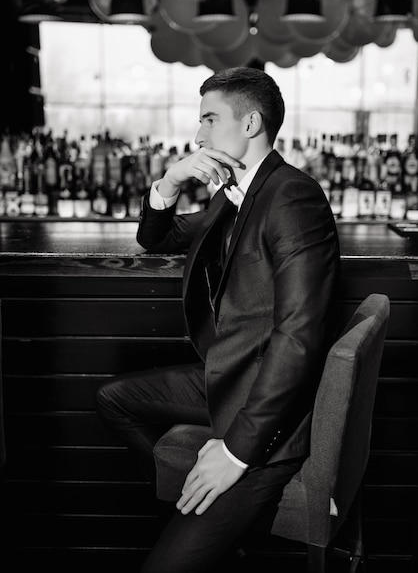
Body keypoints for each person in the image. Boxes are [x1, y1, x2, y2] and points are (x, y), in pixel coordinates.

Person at [96, 66, 341, 572]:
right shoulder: (236, 191)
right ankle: (187, 500)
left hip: (267, 413)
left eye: (209, 119)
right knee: (114, 400)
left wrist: (232, 453)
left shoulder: (291, 196)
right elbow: (157, 238)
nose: (199, 133)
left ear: (250, 124)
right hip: (228, 374)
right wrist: (169, 181)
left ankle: (215, 514)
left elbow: (298, 339)